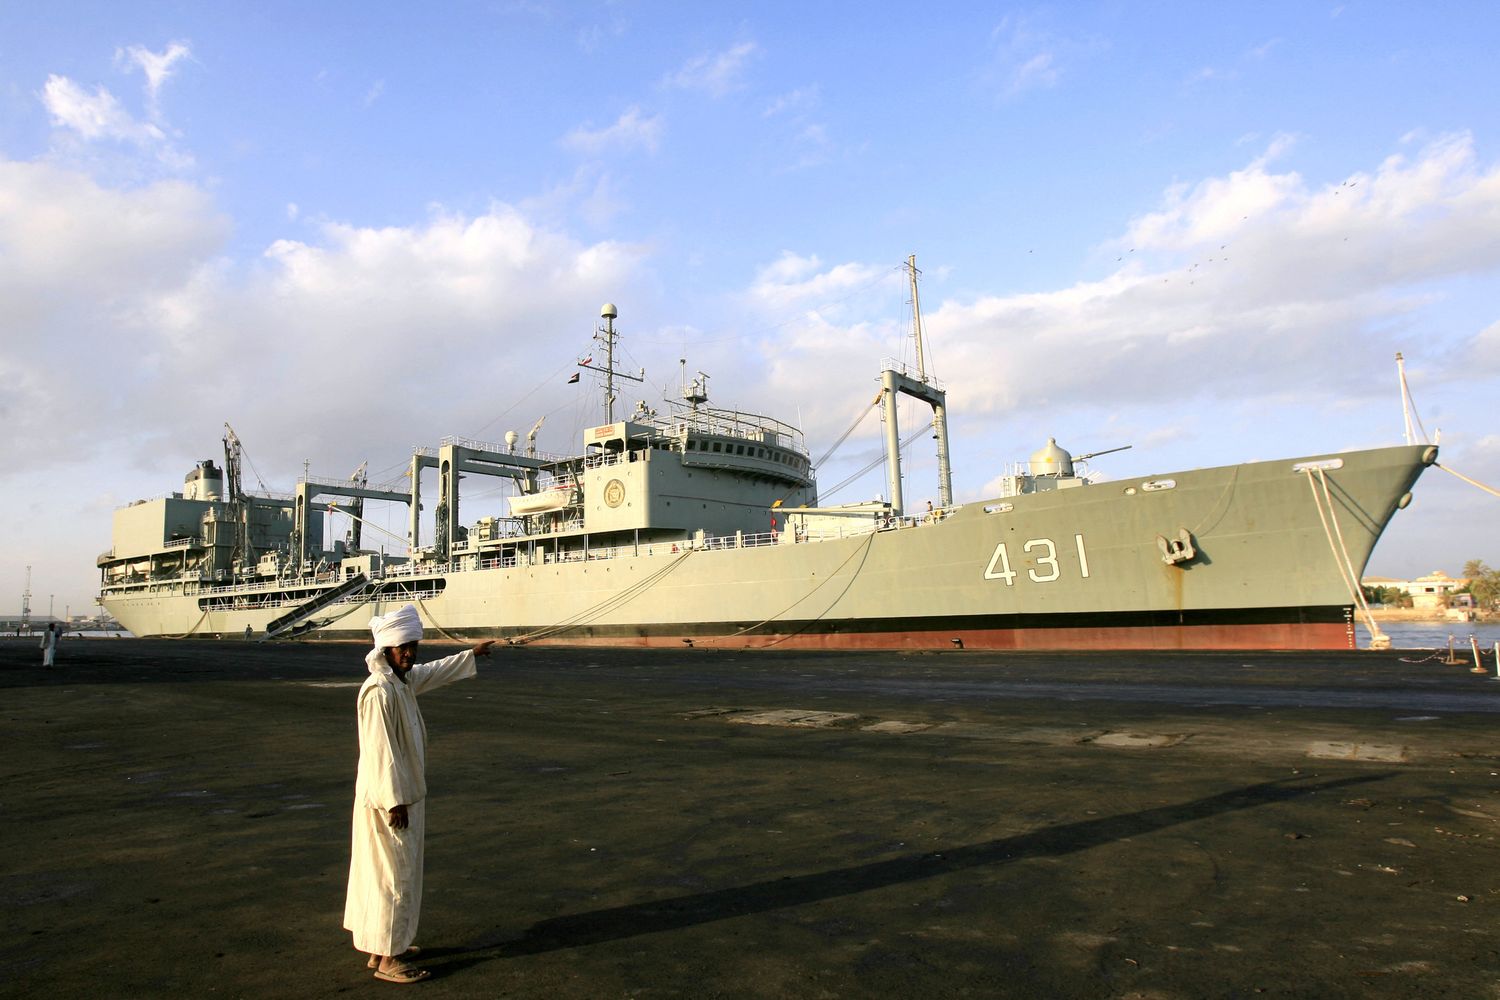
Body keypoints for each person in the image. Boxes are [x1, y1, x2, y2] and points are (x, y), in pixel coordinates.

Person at [343, 604, 495, 984]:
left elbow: (433, 672)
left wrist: (471, 654)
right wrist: (394, 801)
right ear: (387, 649)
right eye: (403, 648)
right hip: (390, 802)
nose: (410, 654)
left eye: (413, 646)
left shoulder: (401, 682)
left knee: (388, 875)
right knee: (395, 876)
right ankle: (389, 960)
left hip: (400, 796)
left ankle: (382, 947)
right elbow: (380, 751)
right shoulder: (379, 692)